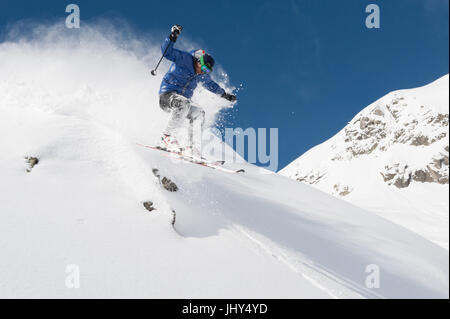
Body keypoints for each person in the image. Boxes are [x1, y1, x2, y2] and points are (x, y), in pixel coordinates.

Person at [158, 24, 236, 156]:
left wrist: (224, 95)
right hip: (167, 96)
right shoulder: (184, 59)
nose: (203, 72)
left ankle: (191, 147)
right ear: (198, 61)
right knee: (184, 103)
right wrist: (172, 37)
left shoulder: (201, 75)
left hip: (182, 104)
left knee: (199, 112)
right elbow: (167, 53)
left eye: (207, 71)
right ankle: (167, 137)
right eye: (203, 68)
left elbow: (211, 85)